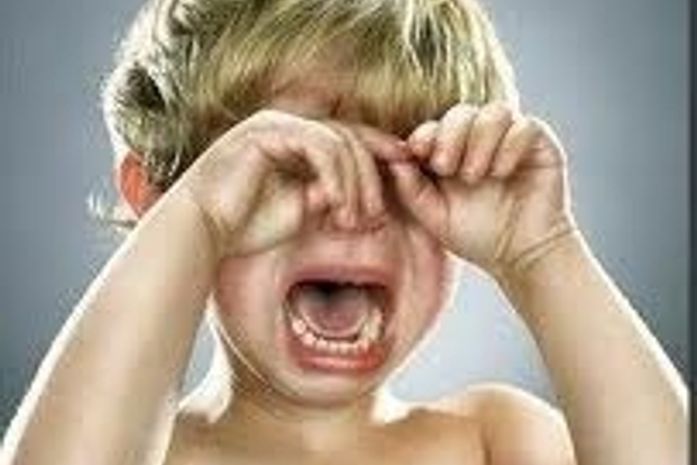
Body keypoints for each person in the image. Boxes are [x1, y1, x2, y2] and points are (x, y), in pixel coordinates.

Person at [2, 0, 687, 463]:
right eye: (290, 167)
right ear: (156, 198)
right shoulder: (139, 449)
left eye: (408, 171)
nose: (354, 209)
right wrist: (195, 215)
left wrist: (541, 253)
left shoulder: (495, 440)